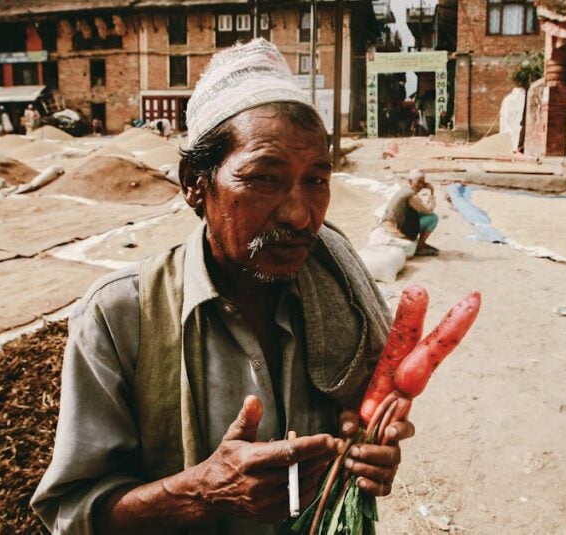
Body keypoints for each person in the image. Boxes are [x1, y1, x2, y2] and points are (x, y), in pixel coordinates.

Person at [31, 38, 413, 534]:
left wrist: (370, 455)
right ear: (195, 182)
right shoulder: (118, 319)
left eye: (316, 181)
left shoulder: (340, 303)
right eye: (264, 179)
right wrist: (201, 490)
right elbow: (73, 514)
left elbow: (363, 431)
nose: (301, 215)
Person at [379, 169, 440, 256]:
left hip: (392, 223)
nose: (421, 185)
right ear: (410, 181)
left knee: (423, 215)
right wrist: (432, 192)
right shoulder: (411, 196)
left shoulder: (405, 190)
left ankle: (420, 244)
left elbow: (422, 208)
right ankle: (420, 246)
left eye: (423, 182)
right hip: (395, 228)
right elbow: (429, 211)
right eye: (418, 182)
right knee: (433, 218)